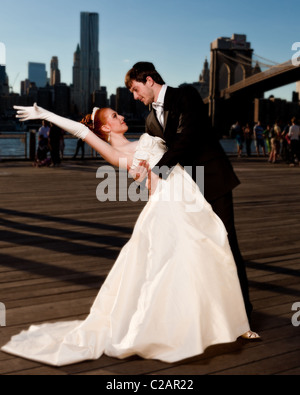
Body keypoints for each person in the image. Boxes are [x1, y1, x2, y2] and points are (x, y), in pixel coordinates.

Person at [1, 103, 259, 367]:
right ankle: (181, 329)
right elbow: (81, 131)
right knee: (180, 262)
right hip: (166, 206)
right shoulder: (117, 153)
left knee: (214, 251)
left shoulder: (148, 138)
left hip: (191, 198)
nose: (122, 116)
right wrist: (45, 115)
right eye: (115, 116)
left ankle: (233, 323)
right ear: (105, 127)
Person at [125, 62, 253, 321]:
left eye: (136, 90)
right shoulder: (150, 120)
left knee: (226, 243)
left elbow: (187, 137)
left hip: (213, 181)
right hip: (186, 190)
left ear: (149, 80)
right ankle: (208, 313)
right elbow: (149, 150)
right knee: (196, 248)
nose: (136, 98)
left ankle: (243, 314)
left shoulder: (185, 95)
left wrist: (158, 172)